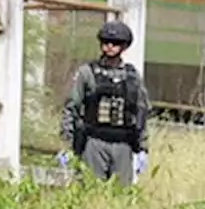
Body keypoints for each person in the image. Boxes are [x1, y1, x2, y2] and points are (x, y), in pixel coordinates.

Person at [58, 20, 151, 186]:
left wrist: (143, 148)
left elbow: (142, 112)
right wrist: (67, 144)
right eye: (106, 42)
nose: (110, 46)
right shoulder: (87, 73)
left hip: (124, 144)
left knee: (120, 194)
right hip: (94, 142)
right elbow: (71, 107)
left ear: (124, 46)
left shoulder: (132, 76)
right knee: (90, 189)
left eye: (115, 43)